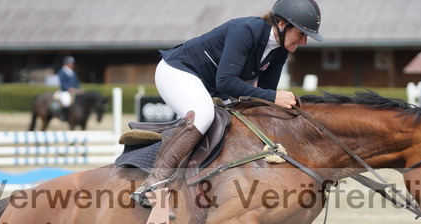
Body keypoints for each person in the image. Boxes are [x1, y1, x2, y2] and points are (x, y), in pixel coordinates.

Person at [131, 0, 323, 209]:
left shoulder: (280, 50)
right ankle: (152, 185)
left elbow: (262, 98)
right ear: (282, 25)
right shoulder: (246, 30)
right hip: (177, 72)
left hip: (209, 85)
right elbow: (226, 82)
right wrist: (274, 97)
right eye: (301, 34)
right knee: (203, 116)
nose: (304, 41)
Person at [56, 56, 82, 120]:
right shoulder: (61, 72)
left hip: (74, 90)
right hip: (65, 91)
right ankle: (63, 115)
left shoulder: (72, 72)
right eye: (70, 63)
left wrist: (79, 87)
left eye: (72, 63)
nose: (72, 65)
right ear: (66, 64)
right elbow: (62, 82)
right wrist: (69, 88)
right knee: (66, 102)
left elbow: (77, 81)